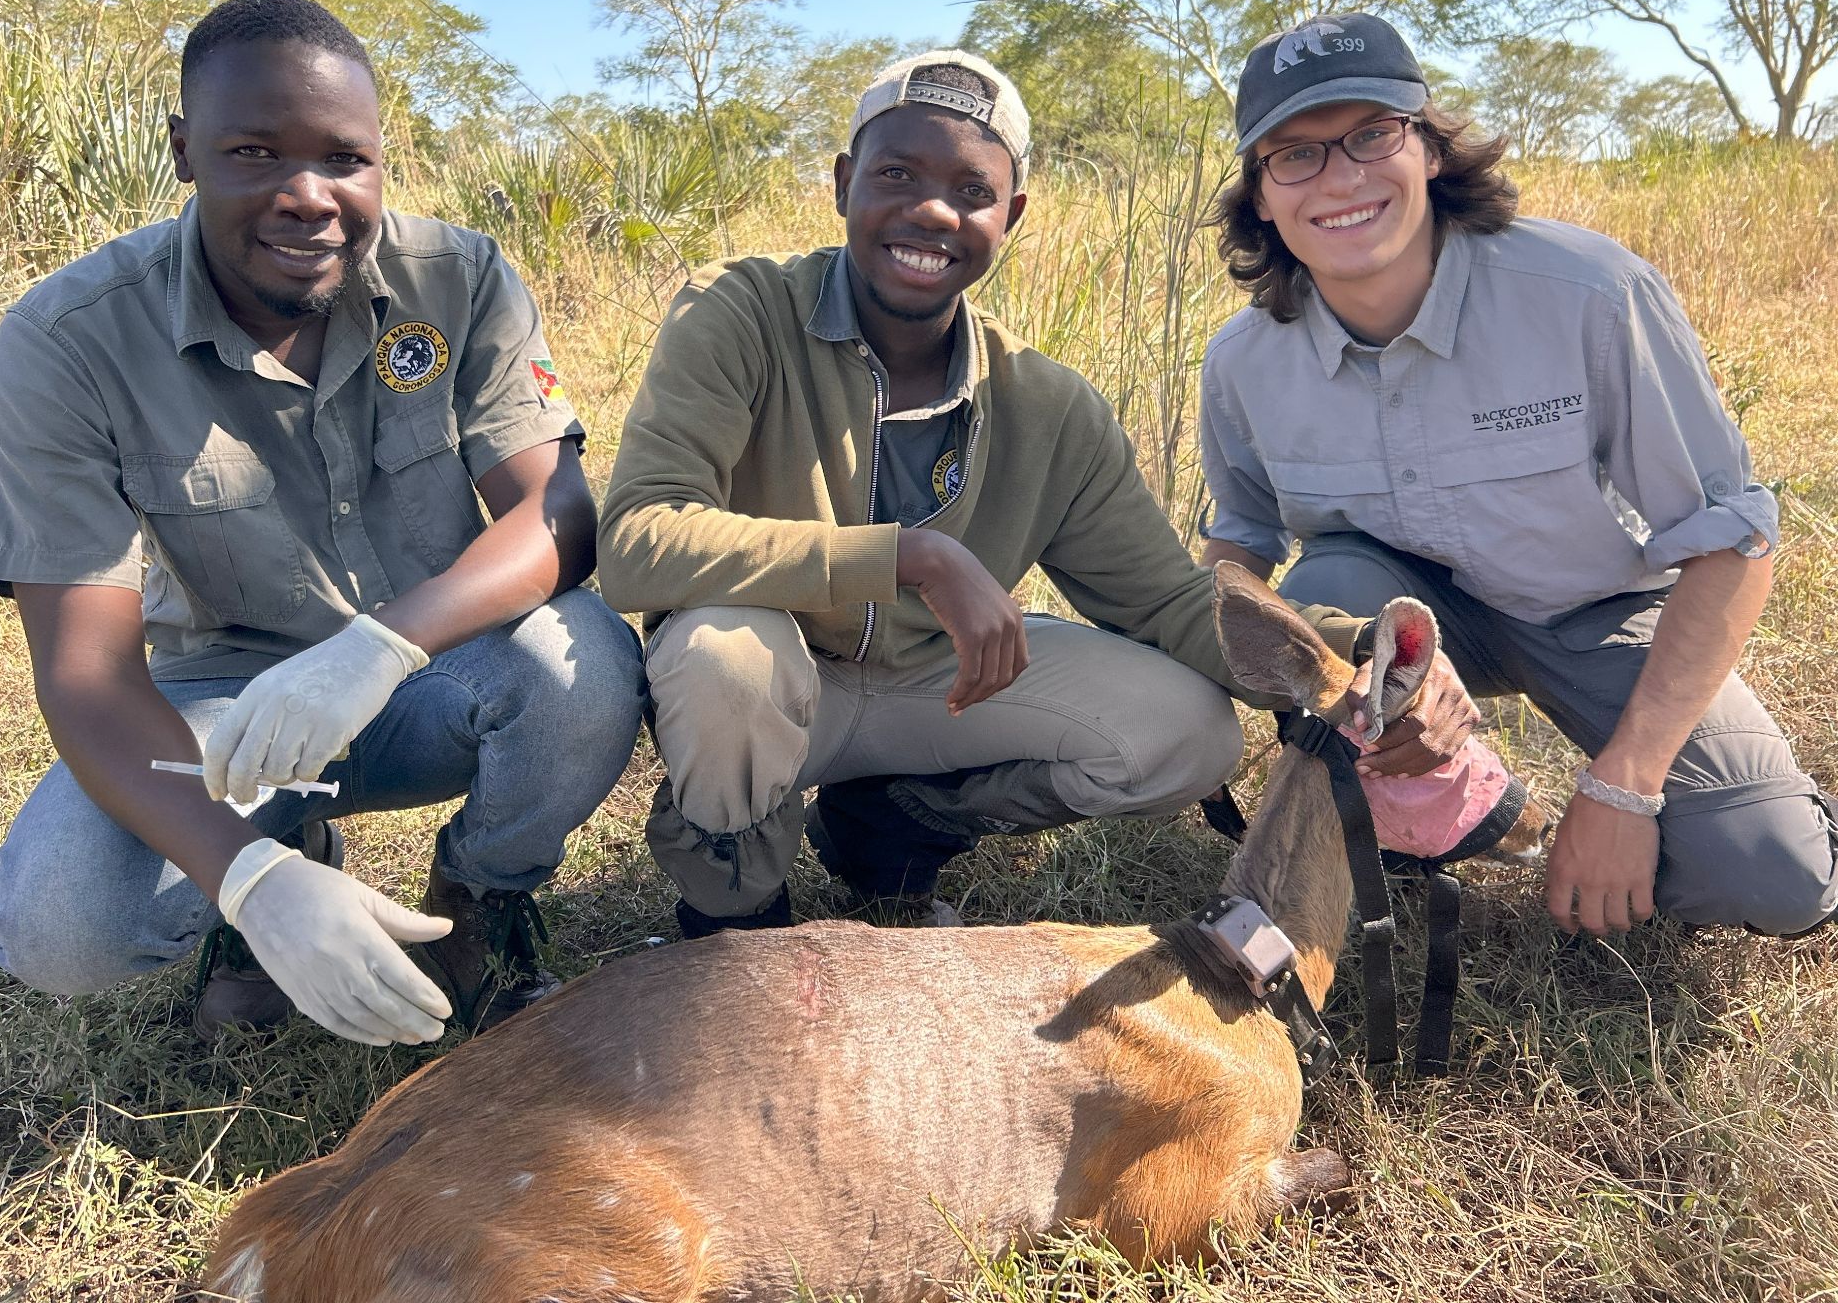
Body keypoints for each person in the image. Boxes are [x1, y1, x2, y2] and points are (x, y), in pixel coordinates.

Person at [597, 49, 1476, 939]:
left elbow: (1168, 602)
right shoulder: (740, 310)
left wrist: (1354, 653)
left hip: (935, 691)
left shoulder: (1045, 403)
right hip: (777, 689)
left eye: (972, 192)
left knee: (1189, 733)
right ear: (842, 183)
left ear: (1010, 215)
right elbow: (638, 539)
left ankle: (900, 820)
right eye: (896, 174)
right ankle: (738, 911)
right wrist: (912, 557)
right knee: (723, 659)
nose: (932, 211)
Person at [0, 0, 645, 1047]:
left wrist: (383, 645)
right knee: (67, 926)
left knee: (583, 662)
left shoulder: (459, 279)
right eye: (255, 153)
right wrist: (246, 876)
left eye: (344, 159)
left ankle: (479, 900)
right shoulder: (70, 340)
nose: (309, 197)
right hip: (223, 709)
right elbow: (87, 676)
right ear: (184, 151)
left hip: (437, 664)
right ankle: (278, 877)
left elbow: (557, 514)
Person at [1198, 11, 1837, 941]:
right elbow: (1240, 549)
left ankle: (1678, 820)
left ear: (1428, 148)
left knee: (1772, 876)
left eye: (1372, 135)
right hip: (1405, 625)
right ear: (1259, 194)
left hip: (1597, 613)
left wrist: (1626, 786)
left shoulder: (1591, 293)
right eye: (1294, 154)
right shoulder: (1244, 360)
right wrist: (1310, 676)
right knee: (1327, 582)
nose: (1339, 178)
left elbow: (1732, 539)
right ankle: (1409, 812)